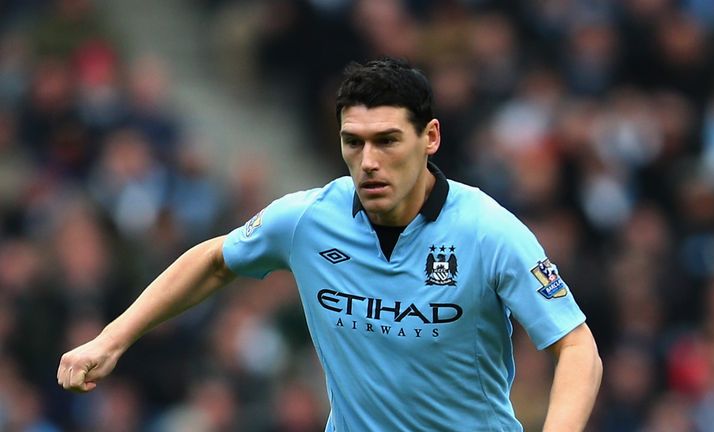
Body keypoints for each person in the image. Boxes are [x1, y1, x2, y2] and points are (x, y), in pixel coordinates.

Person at [57, 58, 602, 431]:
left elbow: (577, 349)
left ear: (429, 137)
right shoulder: (308, 220)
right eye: (353, 142)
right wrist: (111, 340)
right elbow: (215, 261)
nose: (368, 161)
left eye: (387, 140)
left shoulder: (488, 230)